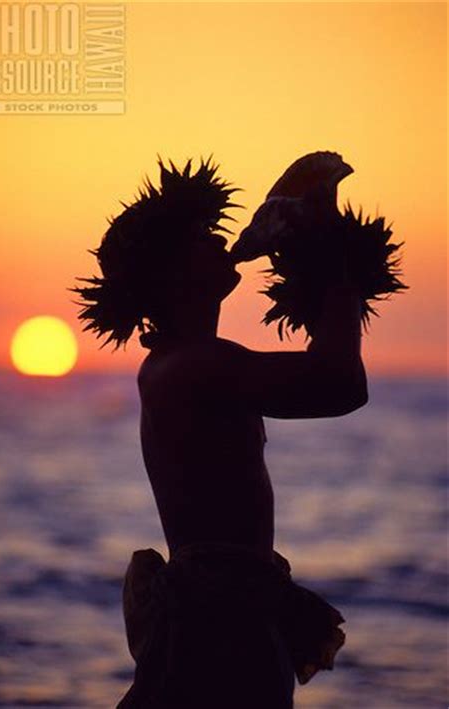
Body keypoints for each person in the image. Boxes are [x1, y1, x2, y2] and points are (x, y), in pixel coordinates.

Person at [72, 157, 368, 708]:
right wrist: (334, 259)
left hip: (223, 613)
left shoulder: (178, 362)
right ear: (170, 272)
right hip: (220, 628)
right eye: (200, 236)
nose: (220, 239)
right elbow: (340, 384)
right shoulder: (192, 364)